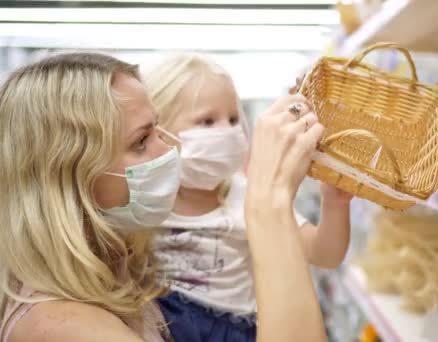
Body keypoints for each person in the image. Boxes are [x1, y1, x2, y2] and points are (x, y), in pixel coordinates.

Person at [0, 52, 327, 342]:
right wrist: (269, 201)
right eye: (141, 141)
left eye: (159, 129)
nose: (169, 149)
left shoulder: (119, 266)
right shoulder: (63, 326)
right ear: (70, 178)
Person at [142, 54, 352, 342]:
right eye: (206, 121)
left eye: (232, 119)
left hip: (239, 330)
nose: (227, 132)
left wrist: (335, 204)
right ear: (157, 131)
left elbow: (324, 254)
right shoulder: (143, 202)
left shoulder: (249, 197)